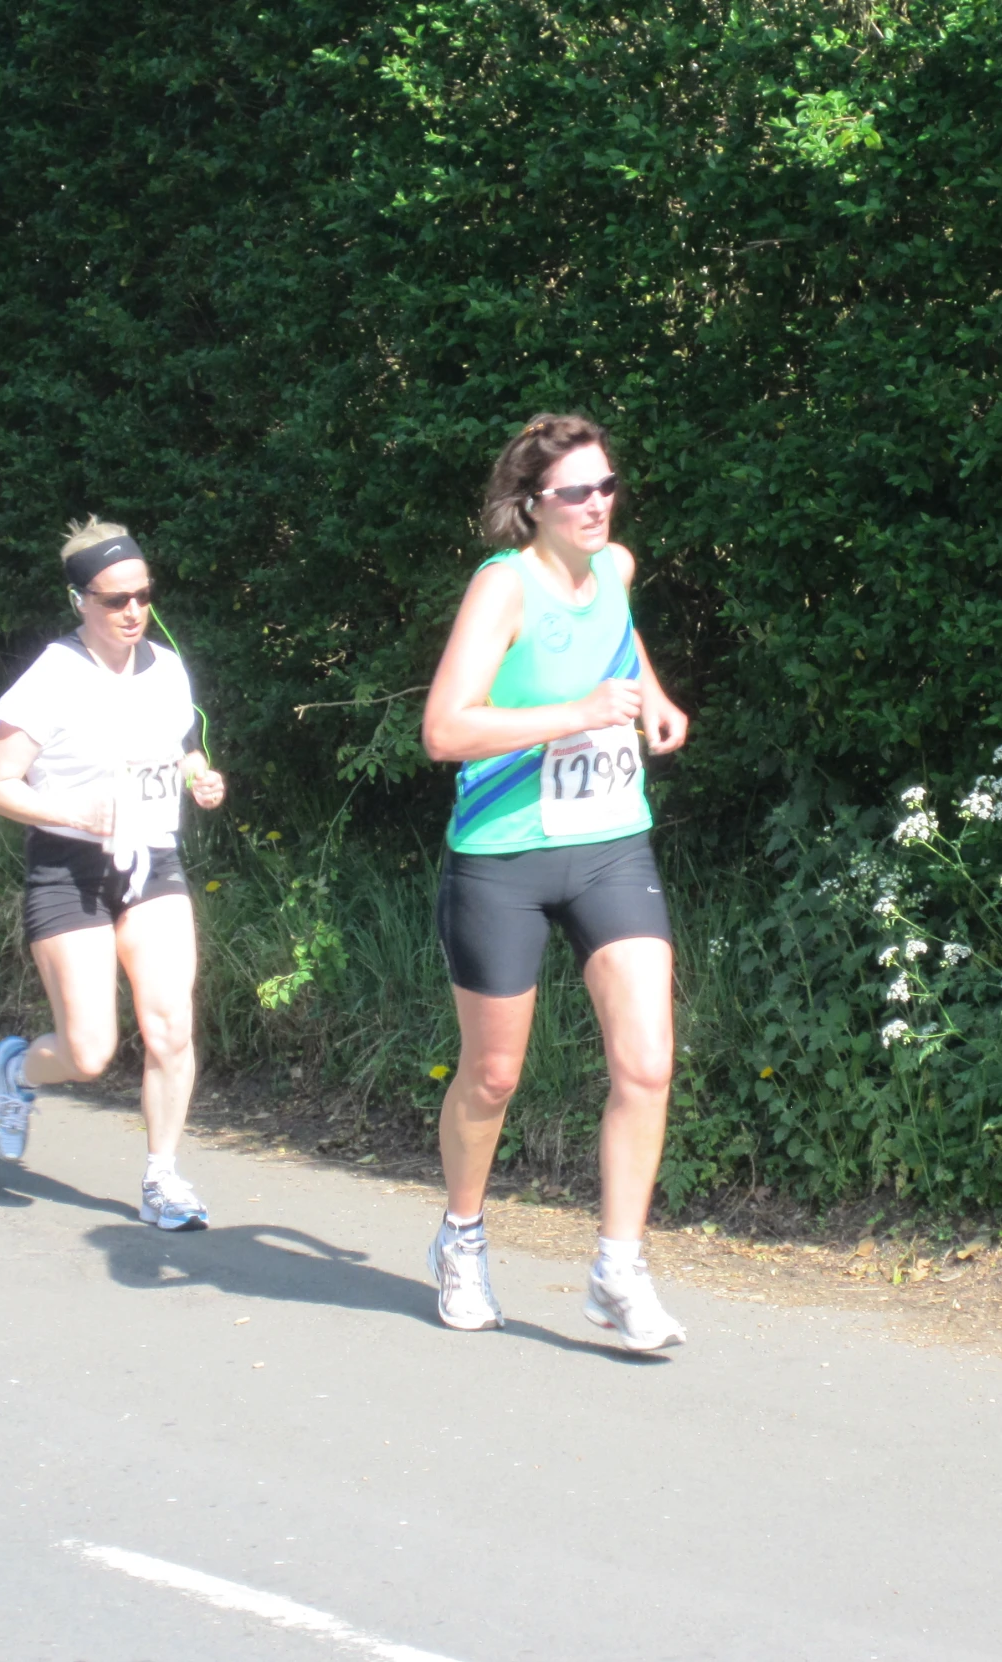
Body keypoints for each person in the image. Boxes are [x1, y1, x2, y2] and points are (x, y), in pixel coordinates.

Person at [419, 413, 691, 1350]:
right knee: (493, 1076)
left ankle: (618, 1270)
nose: (597, 504)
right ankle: (460, 1236)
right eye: (575, 491)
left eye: (607, 485)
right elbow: (445, 730)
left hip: (612, 842)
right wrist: (573, 714)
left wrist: (650, 693)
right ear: (531, 503)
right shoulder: (503, 589)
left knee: (647, 1062)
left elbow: (618, 634)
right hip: (503, 855)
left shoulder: (610, 568)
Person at [0, 519, 226, 1230]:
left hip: (152, 859)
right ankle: (19, 1072)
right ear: (79, 599)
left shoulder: (166, 669)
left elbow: (177, 746)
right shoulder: (50, 680)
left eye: (143, 596)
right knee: (88, 1052)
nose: (133, 612)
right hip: (68, 868)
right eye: (115, 600)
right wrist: (75, 812)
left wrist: (200, 775)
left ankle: (163, 1177)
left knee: (171, 1023)